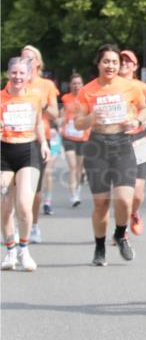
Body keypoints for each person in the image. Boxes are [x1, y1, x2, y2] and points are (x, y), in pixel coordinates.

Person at [74, 44, 146, 266]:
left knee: (125, 200)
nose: (111, 65)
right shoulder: (87, 91)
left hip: (123, 144)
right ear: (98, 63)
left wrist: (136, 120)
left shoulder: (130, 87)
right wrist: (91, 118)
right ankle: (99, 247)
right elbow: (78, 123)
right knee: (101, 204)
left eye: (115, 62)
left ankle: (120, 232)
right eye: (106, 61)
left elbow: (145, 109)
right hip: (97, 146)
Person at [1, 57, 50, 271]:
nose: (18, 77)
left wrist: (44, 143)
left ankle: (24, 249)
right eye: (14, 73)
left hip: (28, 151)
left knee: (23, 204)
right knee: (5, 206)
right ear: (8, 74)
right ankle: (10, 251)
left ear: (29, 75)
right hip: (4, 152)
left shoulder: (35, 97)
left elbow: (38, 122)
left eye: (22, 73)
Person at [118, 49, 146, 236]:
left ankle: (134, 213)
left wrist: (145, 119)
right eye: (121, 60)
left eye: (129, 61)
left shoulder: (142, 87)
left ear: (135, 66)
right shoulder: (110, 87)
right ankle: (121, 229)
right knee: (121, 191)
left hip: (138, 140)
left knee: (137, 193)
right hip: (116, 141)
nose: (124, 63)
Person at [21, 45, 58, 240]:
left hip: (40, 140)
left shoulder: (46, 85)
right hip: (16, 139)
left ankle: (34, 225)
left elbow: (55, 113)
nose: (26, 62)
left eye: (29, 58)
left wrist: (39, 103)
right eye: (23, 58)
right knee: (16, 188)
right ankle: (20, 224)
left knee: (35, 190)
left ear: (37, 62)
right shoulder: (15, 81)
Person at [60, 73, 89, 207]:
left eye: (79, 83)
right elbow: (62, 114)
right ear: (70, 85)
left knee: (79, 167)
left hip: (83, 137)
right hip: (69, 136)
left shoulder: (87, 98)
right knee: (72, 167)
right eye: (74, 83)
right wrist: (60, 122)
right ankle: (73, 195)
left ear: (82, 85)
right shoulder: (65, 98)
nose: (76, 86)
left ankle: (77, 189)